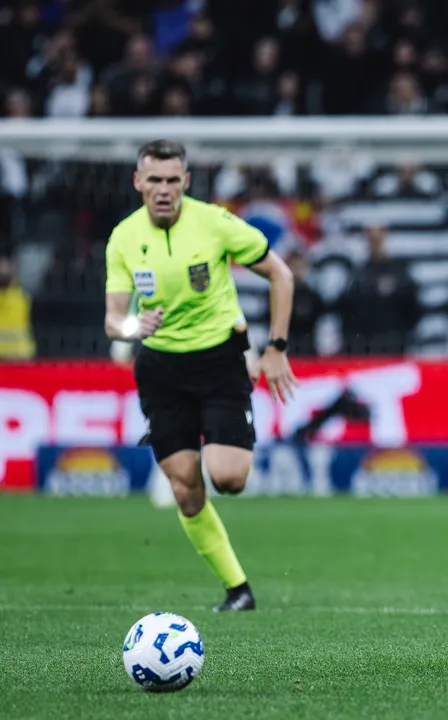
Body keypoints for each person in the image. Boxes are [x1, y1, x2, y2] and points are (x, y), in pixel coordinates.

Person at [104, 139, 298, 610]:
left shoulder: (215, 223)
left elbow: (282, 275)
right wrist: (134, 327)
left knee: (228, 477)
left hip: (219, 361)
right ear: (138, 182)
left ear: (186, 182)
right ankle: (238, 589)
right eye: (154, 179)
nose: (163, 189)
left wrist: (276, 348)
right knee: (185, 488)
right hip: (161, 368)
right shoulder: (123, 238)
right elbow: (113, 320)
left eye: (173, 180)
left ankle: (224, 447)